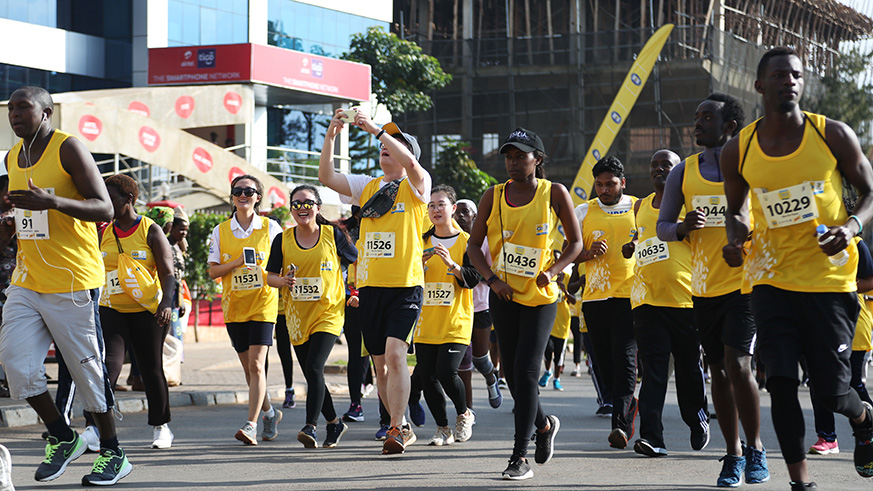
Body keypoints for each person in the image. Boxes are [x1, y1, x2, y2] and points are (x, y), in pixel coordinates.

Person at [721, 47, 873, 490]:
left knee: (830, 391)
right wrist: (737, 238)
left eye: (797, 74)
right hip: (769, 278)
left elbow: (870, 193)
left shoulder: (833, 134)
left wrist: (849, 226)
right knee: (781, 383)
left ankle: (864, 419)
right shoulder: (740, 148)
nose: (790, 80)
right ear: (759, 84)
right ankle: (800, 483)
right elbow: (737, 211)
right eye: (780, 74)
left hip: (828, 280)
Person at [0, 86, 131, 485]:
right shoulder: (12, 157)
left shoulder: (68, 148)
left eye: (24, 108)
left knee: (87, 373)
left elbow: (104, 207)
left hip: (73, 280)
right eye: (11, 109)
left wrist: (54, 203)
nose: (15, 114)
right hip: (27, 278)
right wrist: (13, 225)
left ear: (46, 112)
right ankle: (63, 435)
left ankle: (113, 453)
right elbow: (31, 220)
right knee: (16, 365)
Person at [657, 92, 769, 487]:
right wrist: (684, 227)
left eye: (707, 117)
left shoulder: (752, 167)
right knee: (717, 370)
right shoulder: (681, 172)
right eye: (696, 116)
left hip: (745, 283)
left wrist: (745, 241)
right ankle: (733, 453)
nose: (697, 123)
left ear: (729, 127)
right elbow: (662, 227)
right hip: (703, 286)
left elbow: (768, 219)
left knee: (738, 364)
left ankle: (755, 449)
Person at [467, 128, 582, 480]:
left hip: (541, 298)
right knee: (513, 378)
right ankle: (544, 425)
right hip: (505, 296)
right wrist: (493, 280)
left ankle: (519, 457)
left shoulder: (554, 193)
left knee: (528, 371)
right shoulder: (493, 195)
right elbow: (473, 247)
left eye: (521, 156)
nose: (513, 162)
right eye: (509, 156)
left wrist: (555, 270)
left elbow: (575, 243)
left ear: (538, 159)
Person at [318, 109, 431, 454]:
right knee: (380, 365)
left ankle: (396, 428)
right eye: (385, 144)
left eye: (396, 144)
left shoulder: (417, 185)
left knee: (397, 356)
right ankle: (400, 422)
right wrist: (331, 136)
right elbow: (327, 177)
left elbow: (412, 166)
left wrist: (375, 129)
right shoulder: (366, 186)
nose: (387, 147)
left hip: (405, 286)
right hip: (370, 288)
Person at [621, 149, 710, 457]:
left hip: (686, 300)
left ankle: (696, 418)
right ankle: (652, 437)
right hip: (646, 300)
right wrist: (632, 246)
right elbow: (643, 237)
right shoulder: (641, 205)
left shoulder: (690, 203)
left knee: (687, 368)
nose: (659, 169)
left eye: (666, 165)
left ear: (679, 172)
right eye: (654, 165)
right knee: (654, 371)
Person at [266, 184, 357, 448]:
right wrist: (282, 281)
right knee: (311, 373)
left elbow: (358, 261)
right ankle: (334, 423)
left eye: (307, 203)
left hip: (328, 313)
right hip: (296, 316)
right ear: (291, 209)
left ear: (318, 208)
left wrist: (355, 290)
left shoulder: (332, 235)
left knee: (315, 367)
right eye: (296, 204)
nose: (302, 208)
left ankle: (310, 426)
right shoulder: (282, 239)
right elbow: (270, 277)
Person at [99, 174, 176, 449]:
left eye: (111, 198)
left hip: (148, 312)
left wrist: (167, 303)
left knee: (150, 369)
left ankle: (161, 426)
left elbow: (168, 273)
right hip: (112, 309)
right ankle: (96, 427)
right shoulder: (104, 232)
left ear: (129, 200)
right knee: (109, 367)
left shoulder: (150, 229)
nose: (106, 203)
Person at [208, 174, 283, 445]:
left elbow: (283, 263)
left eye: (249, 191)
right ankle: (269, 412)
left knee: (255, 365)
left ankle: (251, 425)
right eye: (238, 190)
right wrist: (237, 262)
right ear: (232, 196)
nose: (243, 195)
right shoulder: (220, 230)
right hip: (234, 307)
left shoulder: (271, 228)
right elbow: (213, 270)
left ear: (258, 197)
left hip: (263, 304)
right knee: (248, 369)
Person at [576, 156, 639, 450]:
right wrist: (586, 254)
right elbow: (566, 252)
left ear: (622, 183)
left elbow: (656, 240)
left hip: (630, 297)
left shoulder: (638, 208)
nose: (604, 190)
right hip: (595, 299)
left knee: (625, 360)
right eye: (599, 185)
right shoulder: (583, 211)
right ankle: (629, 405)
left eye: (610, 184)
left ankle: (620, 426)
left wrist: (636, 246)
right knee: (604, 363)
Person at [414, 185, 478, 446]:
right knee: (427, 374)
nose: (435, 210)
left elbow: (474, 278)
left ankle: (464, 414)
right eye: (431, 205)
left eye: (441, 204)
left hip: (456, 320)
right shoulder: (421, 240)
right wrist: (419, 264)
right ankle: (442, 428)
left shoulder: (467, 241)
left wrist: (453, 265)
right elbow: (409, 275)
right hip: (426, 321)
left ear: (453, 208)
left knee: (446, 371)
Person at [808, 238, 873, 455]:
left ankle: (867, 429)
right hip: (819, 323)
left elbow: (870, 280)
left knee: (852, 383)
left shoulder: (855, 242)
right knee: (817, 383)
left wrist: (842, 286)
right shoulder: (806, 239)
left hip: (853, 325)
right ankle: (827, 438)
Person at [453, 198, 502, 409]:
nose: (460, 216)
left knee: (481, 358)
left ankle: (492, 379)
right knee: (463, 363)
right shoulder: (450, 238)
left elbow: (492, 273)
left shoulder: (484, 241)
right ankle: (467, 411)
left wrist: (468, 273)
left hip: (480, 306)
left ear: (475, 216)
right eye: (457, 212)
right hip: (455, 307)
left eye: (466, 212)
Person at [540, 266, 573, 391]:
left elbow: (574, 301)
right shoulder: (547, 276)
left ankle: (557, 380)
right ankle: (548, 371)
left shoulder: (567, 278)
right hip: (548, 322)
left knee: (559, 354)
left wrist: (565, 290)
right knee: (547, 350)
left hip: (562, 324)